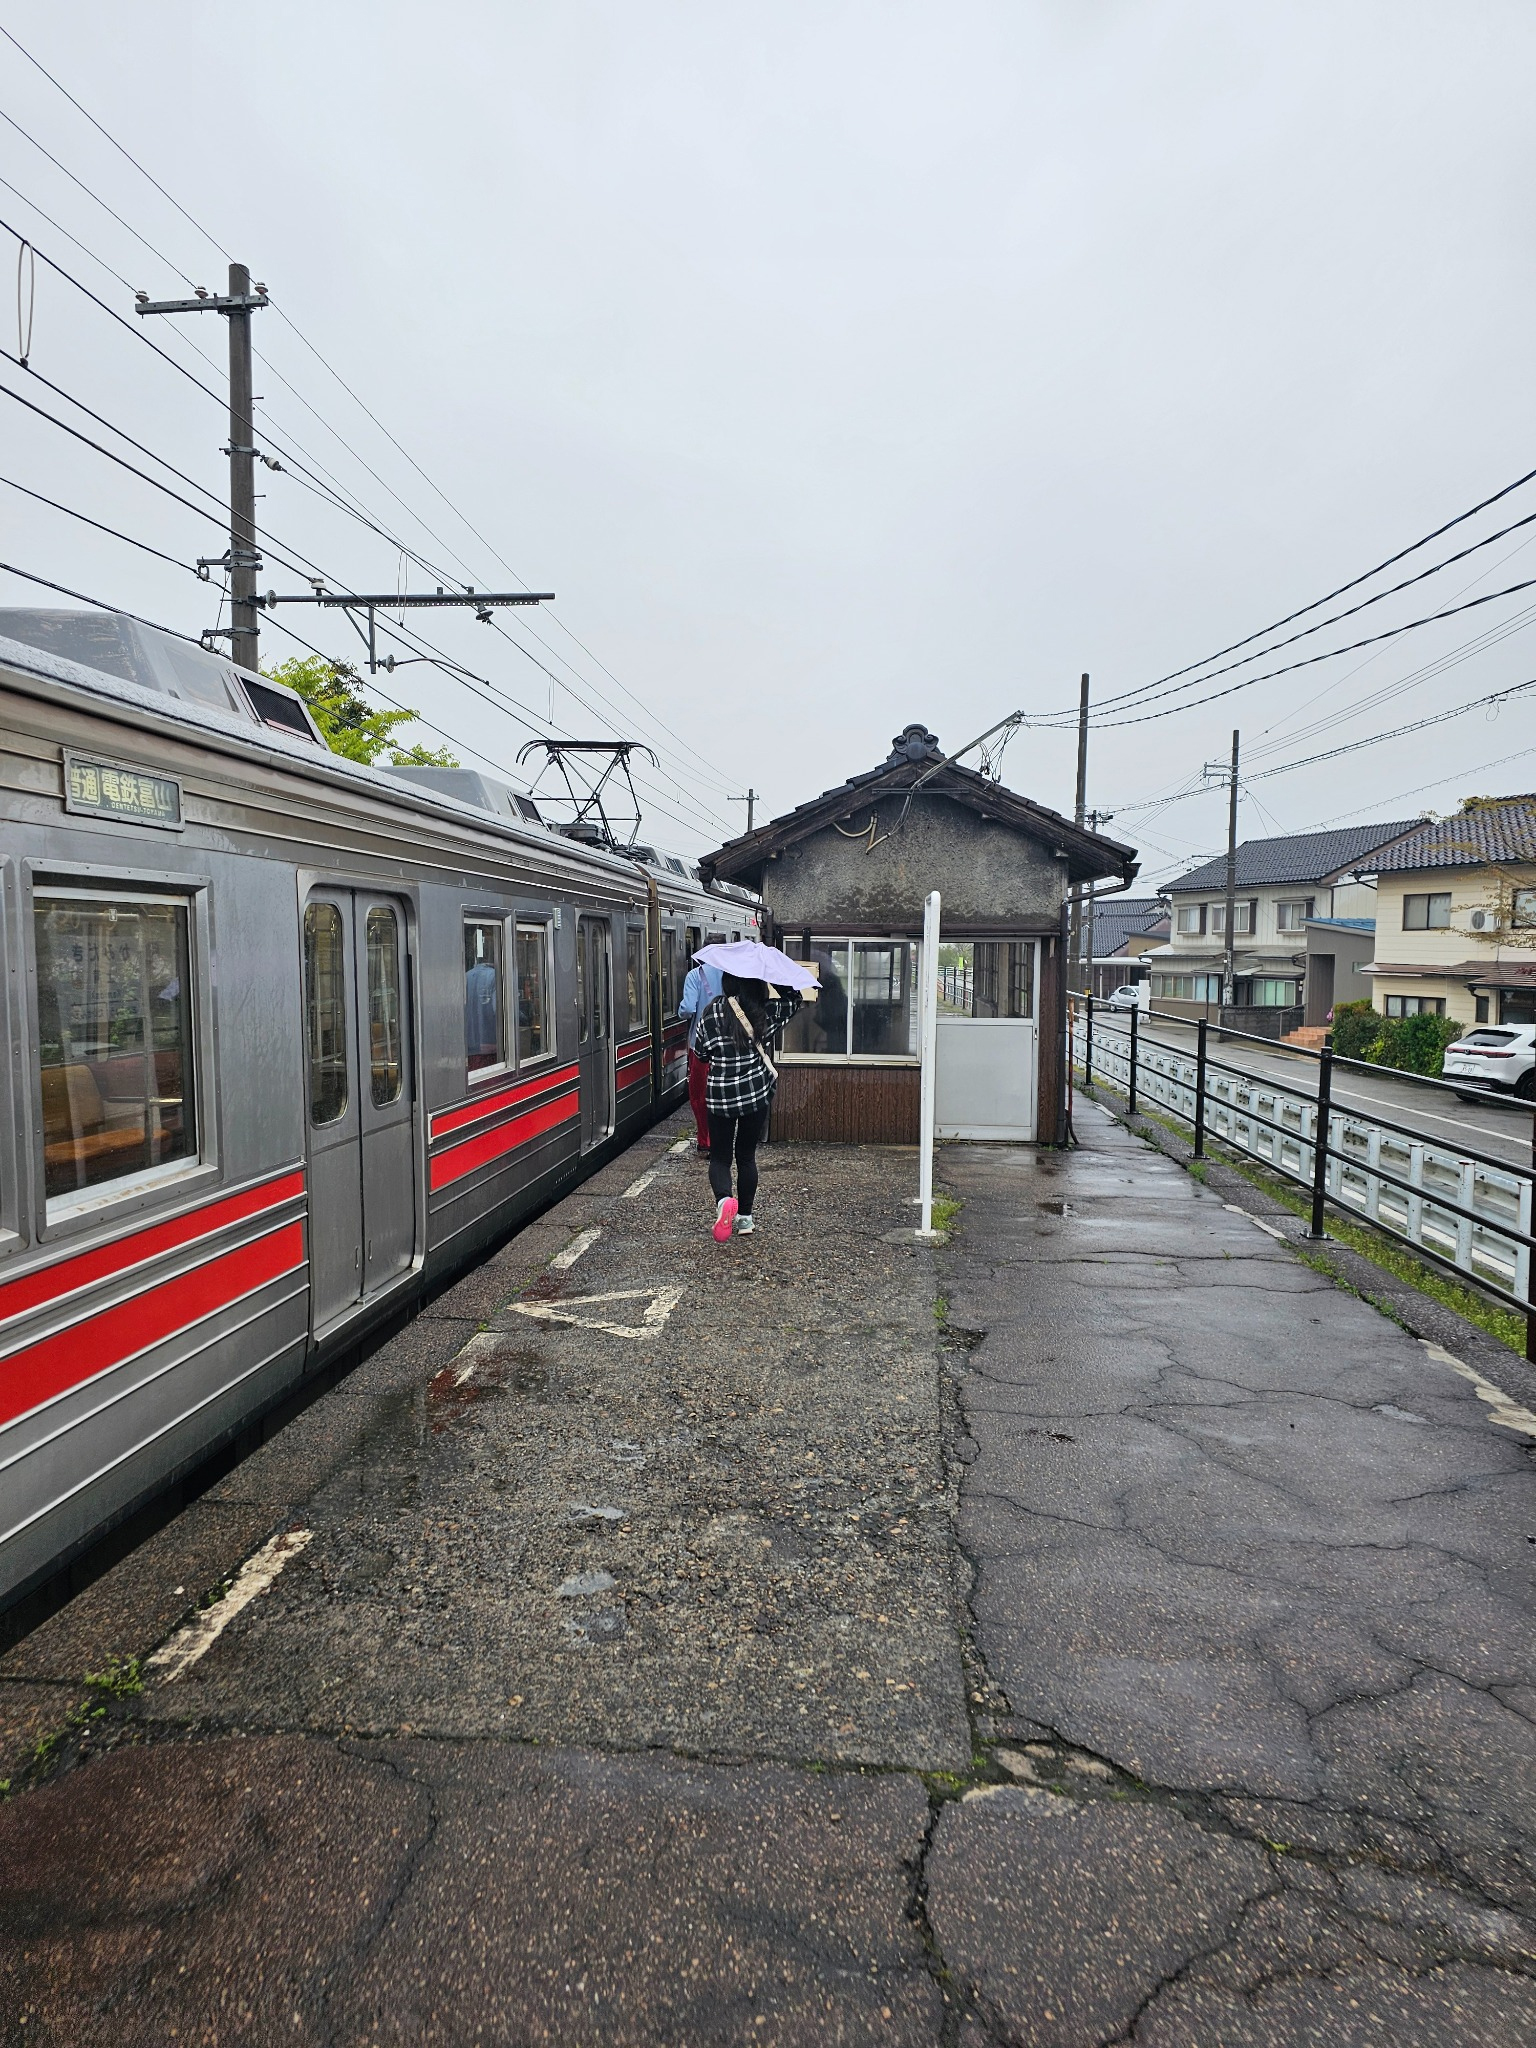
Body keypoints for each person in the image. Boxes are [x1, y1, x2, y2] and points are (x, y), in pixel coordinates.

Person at [692, 971, 804, 1241]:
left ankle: (723, 1203)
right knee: (746, 1156)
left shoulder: (711, 1012)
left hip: (720, 1098)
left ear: (727, 982)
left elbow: (701, 1053)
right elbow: (795, 999)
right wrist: (773, 976)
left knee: (720, 1157)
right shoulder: (763, 1012)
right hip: (755, 1095)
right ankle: (745, 1219)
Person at [678, 956, 723, 1153]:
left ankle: (706, 1141)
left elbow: (687, 1009)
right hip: (729, 1044)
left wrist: (681, 1012)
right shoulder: (734, 974)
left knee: (700, 1095)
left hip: (701, 1045)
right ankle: (723, 1136)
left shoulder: (695, 975)